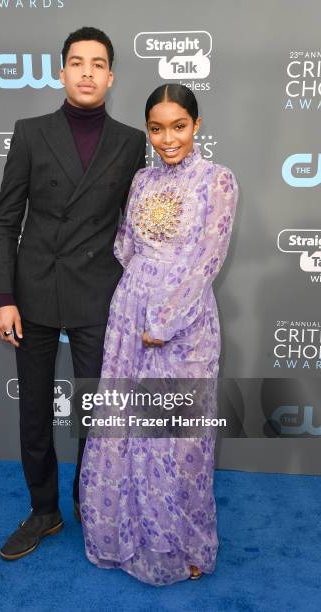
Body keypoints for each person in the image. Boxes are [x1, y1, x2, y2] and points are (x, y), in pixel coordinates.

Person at [0, 26, 146, 561]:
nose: (86, 72)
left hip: (96, 292)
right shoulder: (30, 131)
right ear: (61, 72)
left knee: (94, 411)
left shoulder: (131, 142)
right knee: (34, 409)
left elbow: (141, 225)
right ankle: (44, 511)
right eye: (76, 62)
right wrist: (3, 296)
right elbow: (6, 220)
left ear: (110, 76)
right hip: (32, 291)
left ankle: (90, 500)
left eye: (97, 63)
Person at [79, 84, 239, 585]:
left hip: (184, 324)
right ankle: (129, 536)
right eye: (156, 128)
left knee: (180, 439)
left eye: (178, 126)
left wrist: (163, 316)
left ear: (196, 124)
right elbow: (125, 243)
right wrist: (139, 293)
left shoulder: (218, 181)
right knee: (129, 431)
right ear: (147, 130)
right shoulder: (142, 180)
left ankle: (185, 544)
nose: (167, 138)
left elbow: (208, 260)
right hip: (130, 314)